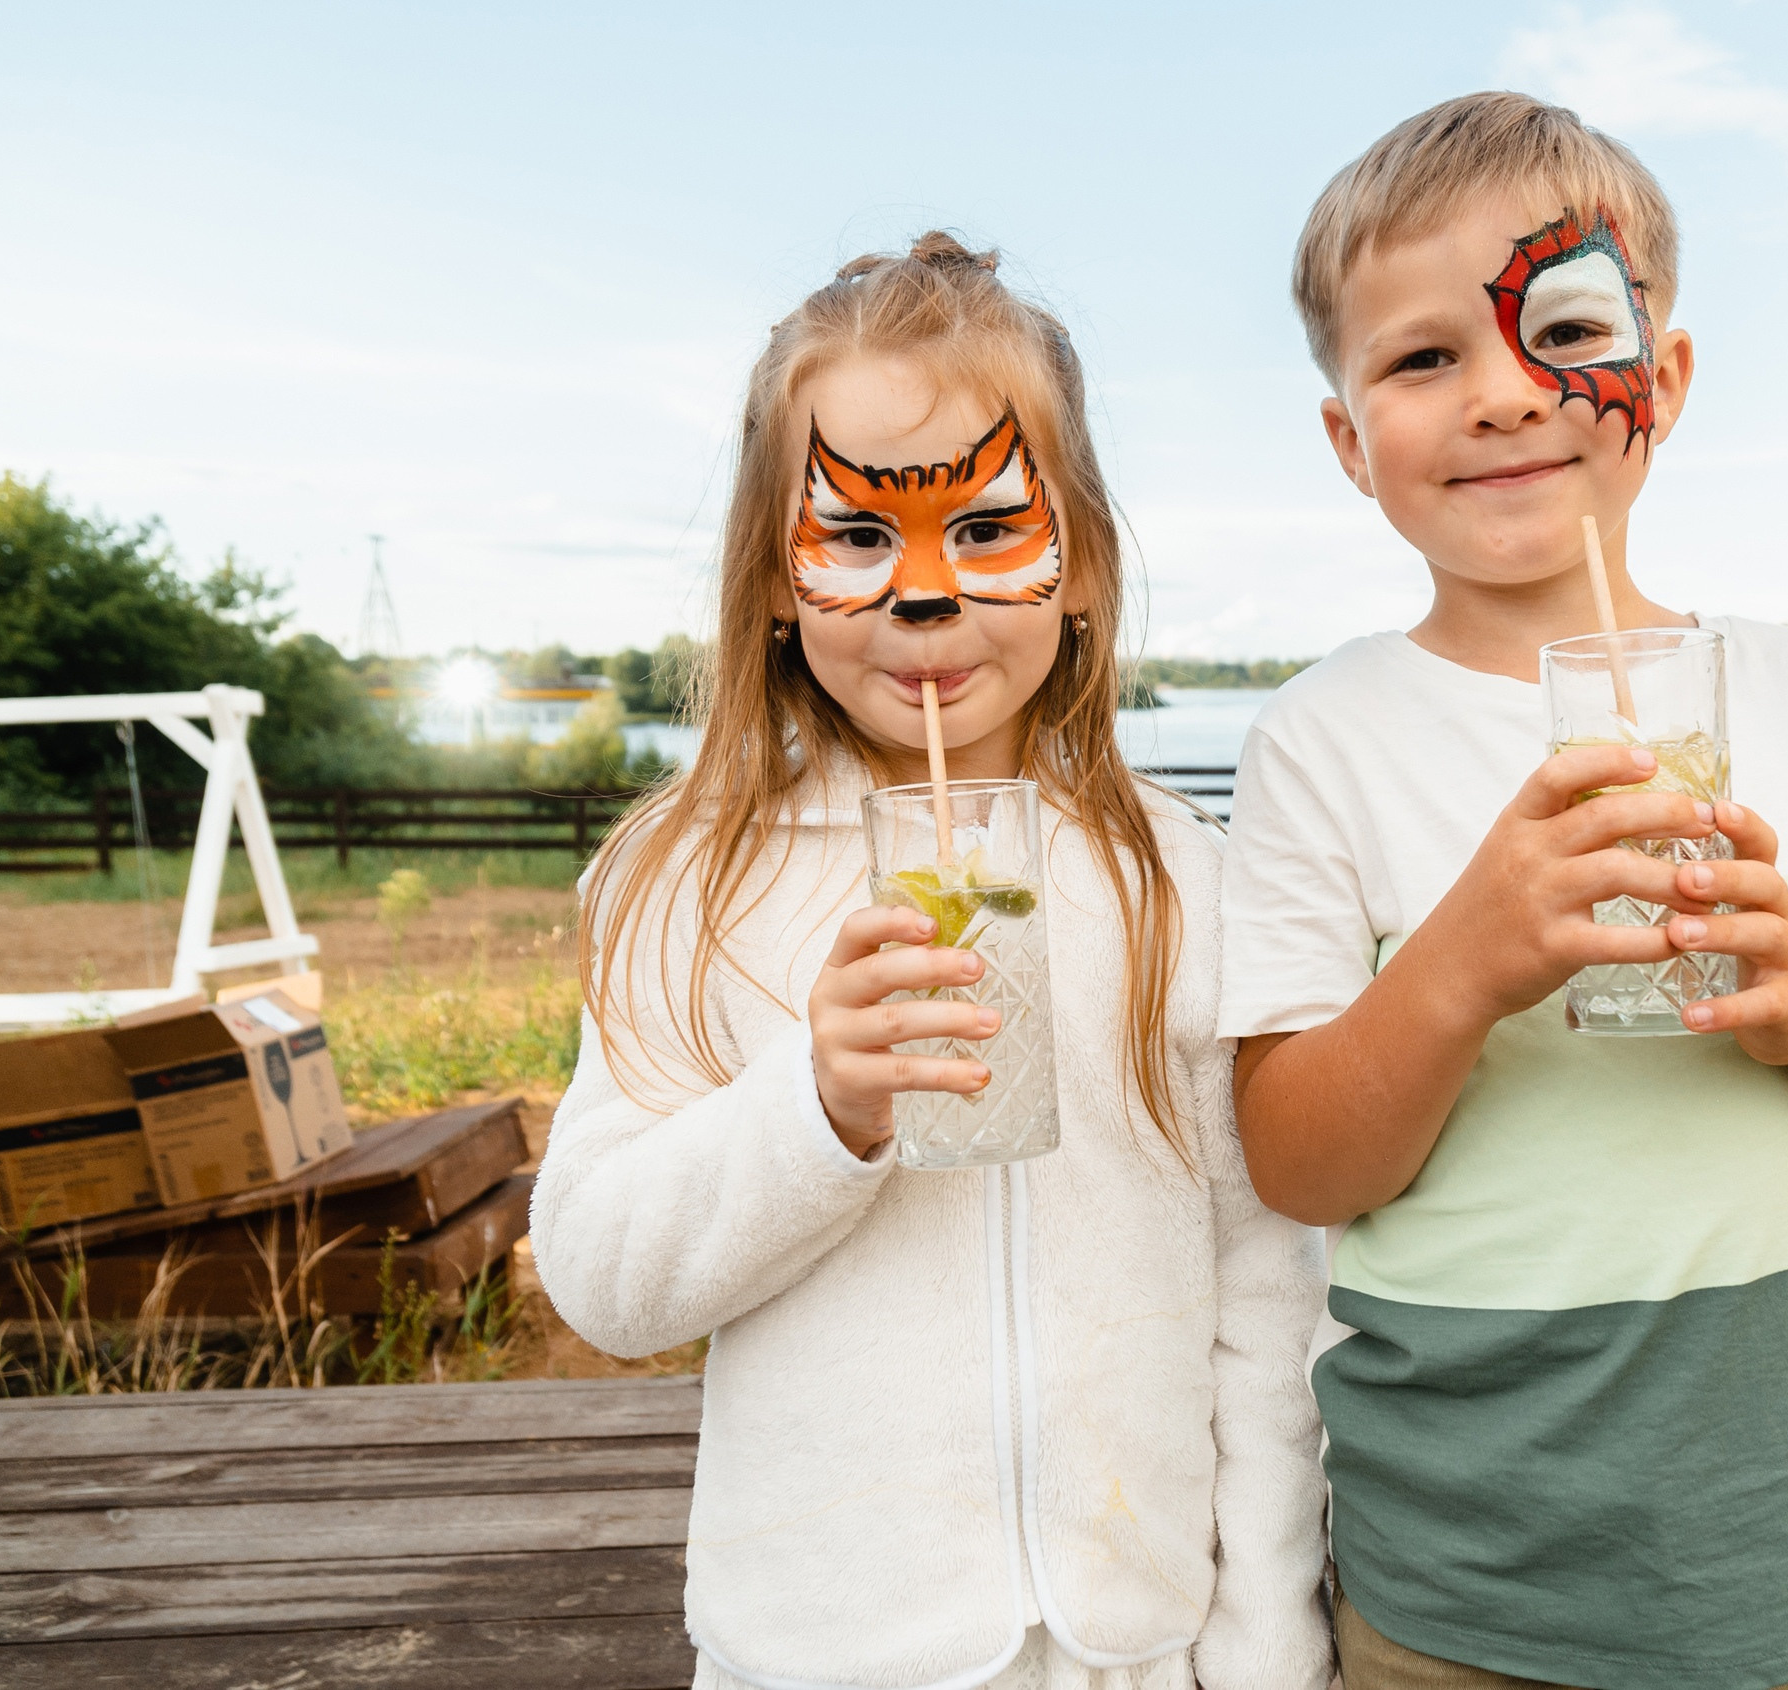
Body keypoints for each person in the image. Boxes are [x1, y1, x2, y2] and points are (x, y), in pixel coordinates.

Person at [1220, 94, 1788, 1690]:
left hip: (1741, 1538)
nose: (1506, 395)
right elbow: (1299, 1159)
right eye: (1423, 358)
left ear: (1667, 374)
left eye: (1565, 328)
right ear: (1347, 440)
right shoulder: (1324, 738)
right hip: (1447, 1567)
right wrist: (1461, 963)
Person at [529, 234, 1332, 1690]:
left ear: (1078, 563)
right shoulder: (687, 876)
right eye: (852, 537)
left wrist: (1267, 1642)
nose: (923, 595)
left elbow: (1265, 1282)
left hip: (1131, 1653)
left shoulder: (1179, 876)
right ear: (771, 576)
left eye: (987, 530)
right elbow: (604, 1276)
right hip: (820, 1654)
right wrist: (814, 1107)